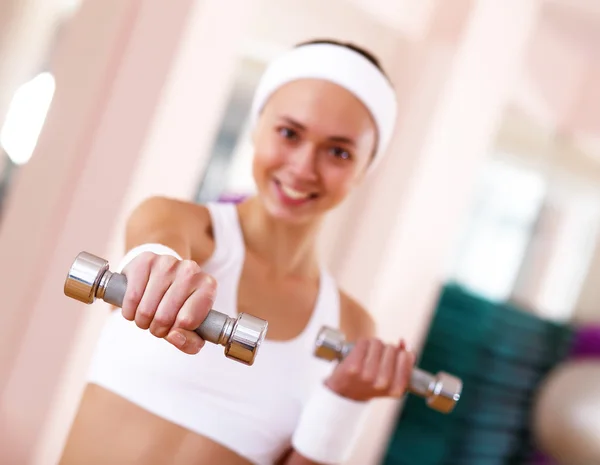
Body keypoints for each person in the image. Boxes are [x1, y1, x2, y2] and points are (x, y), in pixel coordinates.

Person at [59, 39, 416, 465]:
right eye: (289, 133)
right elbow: (156, 240)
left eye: (338, 152)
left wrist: (346, 403)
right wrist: (155, 266)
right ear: (257, 127)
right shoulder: (185, 226)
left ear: (364, 170)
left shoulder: (351, 324)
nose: (303, 168)